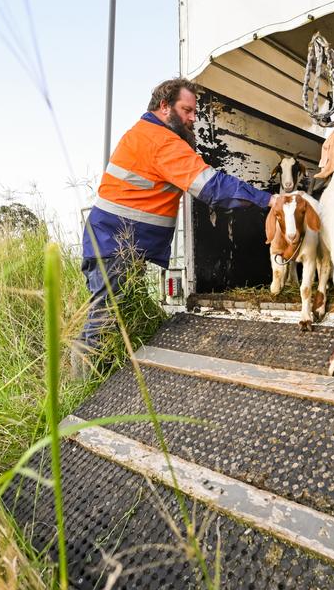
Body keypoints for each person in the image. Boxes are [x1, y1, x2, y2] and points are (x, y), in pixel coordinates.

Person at [73, 77, 275, 376]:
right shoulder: (160, 140)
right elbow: (212, 187)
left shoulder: (146, 134)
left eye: (194, 112)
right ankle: (85, 387)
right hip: (114, 245)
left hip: (112, 243)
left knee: (104, 316)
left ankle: (89, 377)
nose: (193, 118)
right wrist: (267, 200)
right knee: (103, 322)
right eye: (187, 110)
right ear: (164, 106)